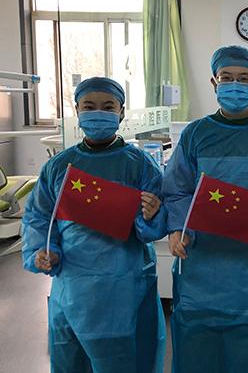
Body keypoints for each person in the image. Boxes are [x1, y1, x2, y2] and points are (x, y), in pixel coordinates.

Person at [163, 45, 248, 373]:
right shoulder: (195, 135)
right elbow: (177, 190)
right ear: (214, 83)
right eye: (227, 78)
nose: (235, 85)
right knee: (200, 356)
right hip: (202, 268)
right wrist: (177, 229)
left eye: (244, 78)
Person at [22, 77, 167, 373]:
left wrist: (151, 214)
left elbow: (153, 228)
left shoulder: (140, 164)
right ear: (77, 110)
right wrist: (44, 251)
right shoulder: (60, 167)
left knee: (127, 360)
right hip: (73, 286)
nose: (98, 112)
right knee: (71, 358)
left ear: (121, 112)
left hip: (126, 285)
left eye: (108, 107)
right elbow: (39, 218)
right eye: (89, 106)